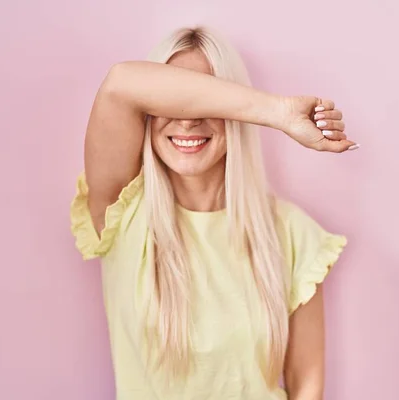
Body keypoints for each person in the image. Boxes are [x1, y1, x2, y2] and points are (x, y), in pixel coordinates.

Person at [70, 26, 356, 400]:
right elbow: (120, 83)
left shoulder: (293, 233)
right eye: (172, 102)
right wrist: (279, 112)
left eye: (205, 102)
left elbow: (306, 387)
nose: (187, 120)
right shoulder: (122, 213)